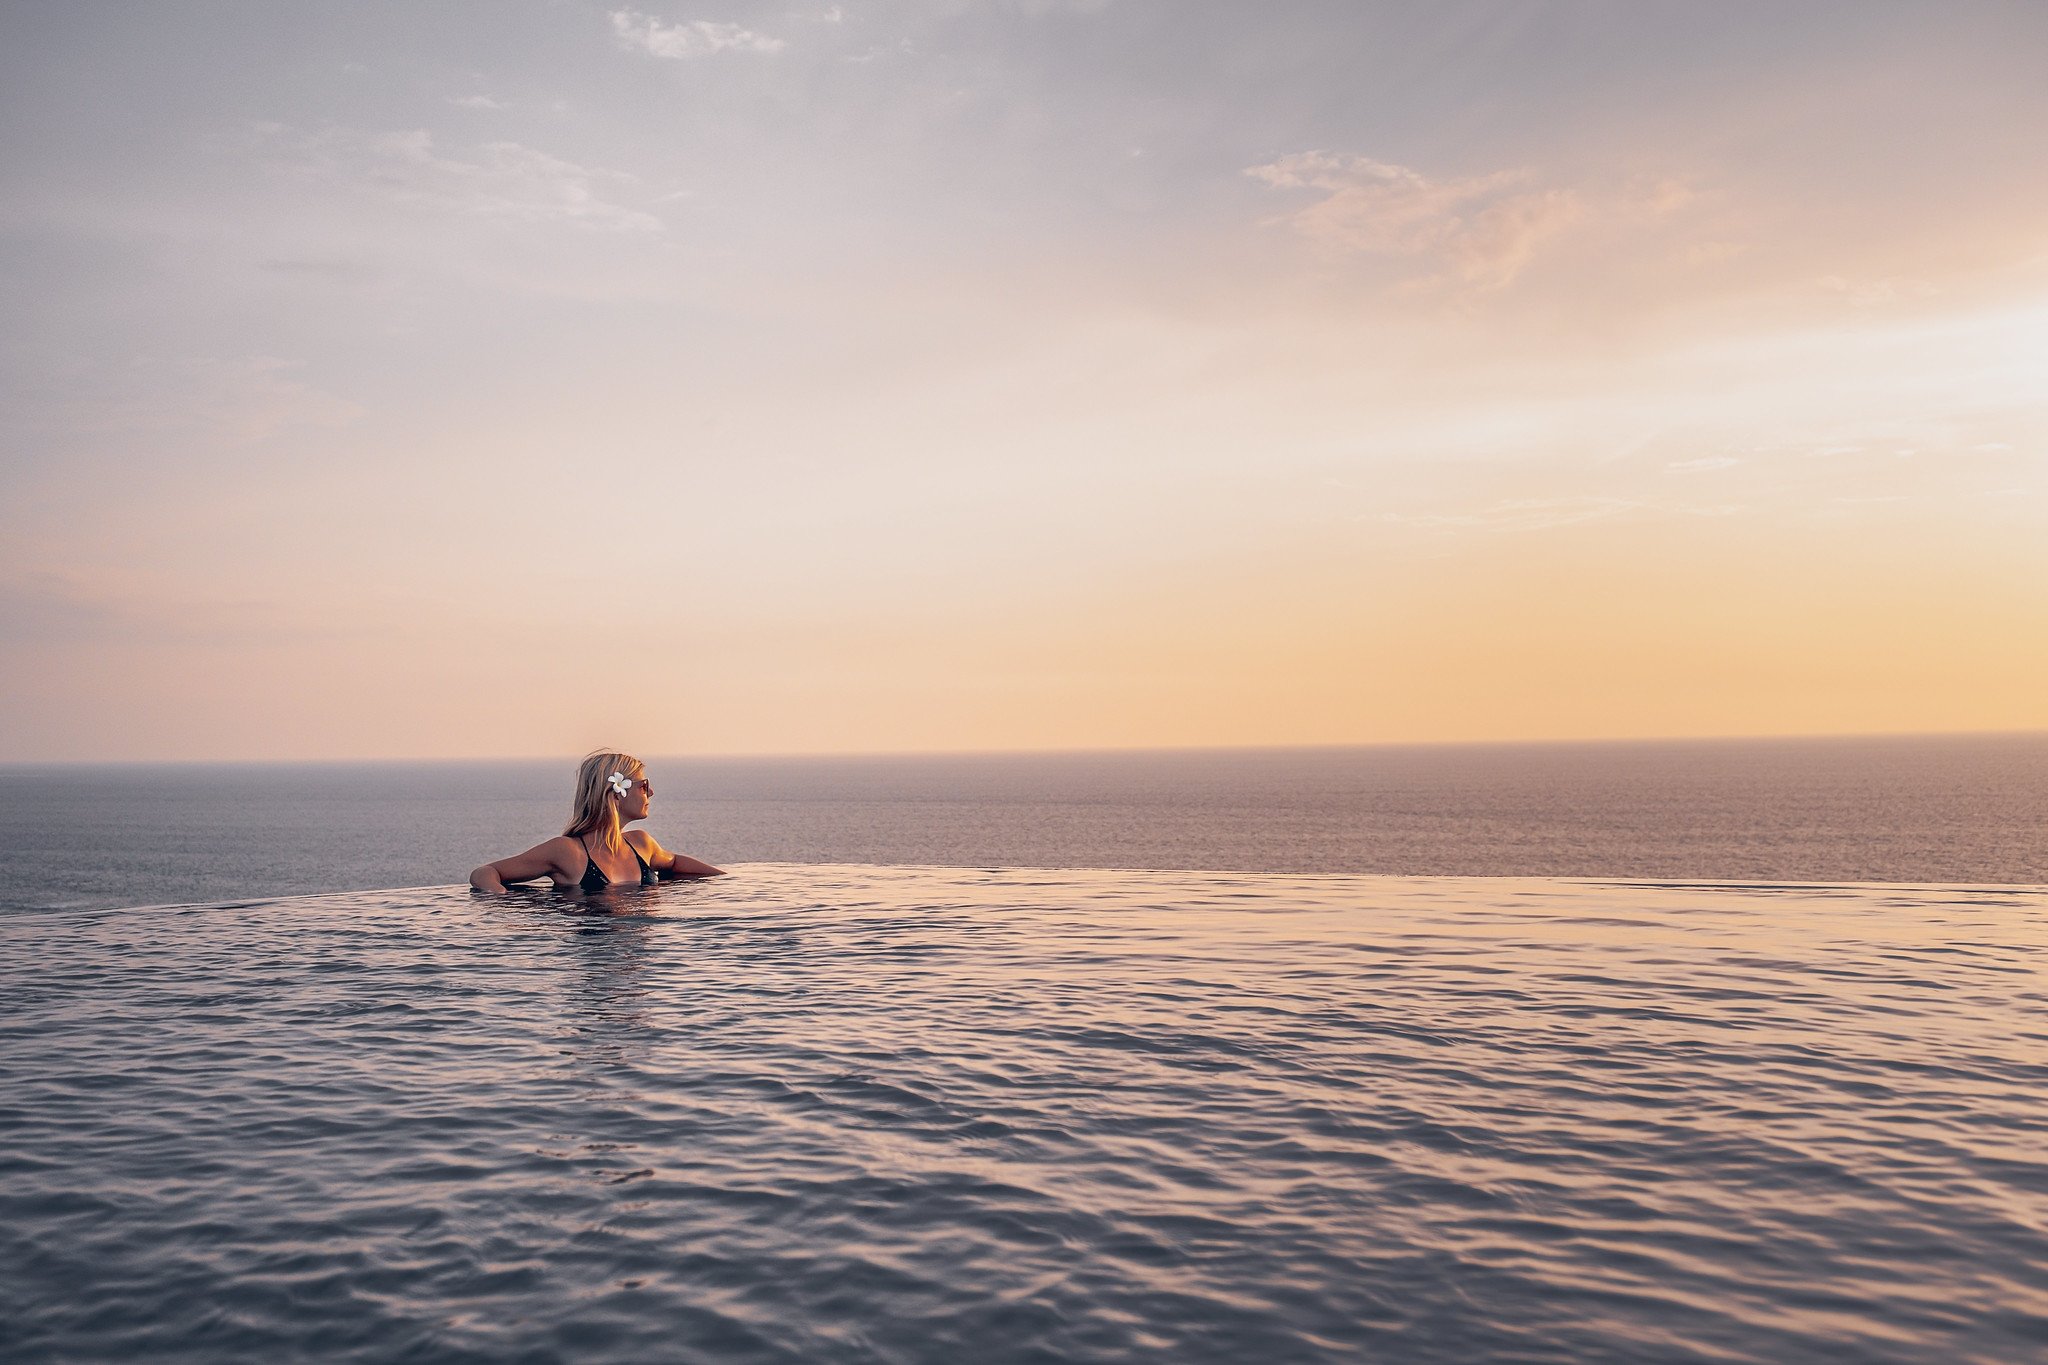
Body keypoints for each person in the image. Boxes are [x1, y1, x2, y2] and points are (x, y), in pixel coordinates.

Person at [469, 749, 724, 893]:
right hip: (595, 967)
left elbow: (675, 862)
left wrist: (728, 880)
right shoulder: (567, 851)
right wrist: (499, 900)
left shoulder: (642, 843)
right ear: (615, 794)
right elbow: (485, 873)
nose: (652, 792)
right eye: (644, 786)